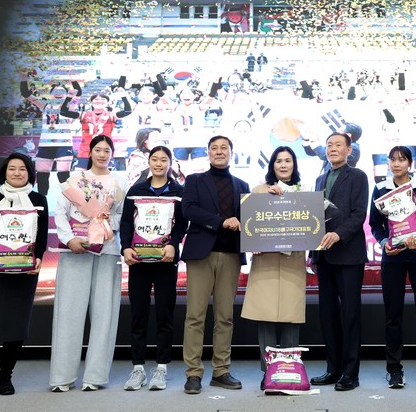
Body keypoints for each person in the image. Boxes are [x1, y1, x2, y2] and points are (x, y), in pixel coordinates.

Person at [49, 135, 126, 392]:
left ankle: (95, 376)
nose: (102, 154)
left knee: (105, 314)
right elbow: (61, 212)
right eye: (98, 150)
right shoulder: (74, 179)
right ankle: (62, 377)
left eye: (107, 151)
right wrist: (69, 239)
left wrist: (103, 221)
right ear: (90, 152)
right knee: (68, 312)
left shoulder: (120, 182)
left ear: (112, 154)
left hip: (107, 251)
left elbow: (123, 216)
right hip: (75, 250)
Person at [180, 135, 250, 394]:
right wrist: (221, 221)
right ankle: (193, 373)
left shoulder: (242, 185)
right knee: (195, 316)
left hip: (231, 255)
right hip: (201, 254)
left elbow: (251, 218)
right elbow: (188, 210)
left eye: (224, 148)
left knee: (225, 317)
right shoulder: (194, 180)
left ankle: (221, 371)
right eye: (214, 148)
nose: (219, 151)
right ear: (208, 152)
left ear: (231, 152)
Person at [0, 153, 48, 397]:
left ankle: (6, 376)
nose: (17, 173)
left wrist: (39, 257)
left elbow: (42, 235)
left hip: (25, 271)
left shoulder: (38, 199)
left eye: (22, 169)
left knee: (16, 324)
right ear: (4, 173)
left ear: (30, 173)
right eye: (12, 168)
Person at [368, 146, 416, 391]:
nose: (396, 164)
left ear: (410, 163)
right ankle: (394, 370)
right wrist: (384, 242)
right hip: (393, 258)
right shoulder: (380, 189)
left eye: (402, 159)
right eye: (392, 159)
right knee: (393, 314)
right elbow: (375, 224)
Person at [120, 145, 187, 391]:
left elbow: (182, 224)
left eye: (163, 160)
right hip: (138, 262)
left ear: (170, 163)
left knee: (164, 315)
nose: (159, 164)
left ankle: (161, 368)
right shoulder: (136, 190)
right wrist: (125, 248)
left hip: (165, 262)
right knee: (138, 314)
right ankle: (138, 368)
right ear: (149, 162)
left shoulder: (179, 191)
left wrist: (174, 244)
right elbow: (126, 223)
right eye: (155, 159)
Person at [240, 146, 307, 390]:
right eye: (279, 161)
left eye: (288, 160)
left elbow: (310, 227)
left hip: (292, 263)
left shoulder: (304, 193)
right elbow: (249, 226)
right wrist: (253, 242)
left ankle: (289, 371)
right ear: (272, 165)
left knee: (290, 319)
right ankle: (268, 372)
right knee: (266, 319)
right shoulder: (259, 191)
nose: (283, 165)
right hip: (266, 263)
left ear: (294, 164)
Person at [310, 132, 369, 391]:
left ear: (349, 150)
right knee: (328, 314)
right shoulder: (320, 178)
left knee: (350, 314)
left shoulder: (358, 176)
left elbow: (359, 214)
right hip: (324, 256)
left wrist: (339, 234)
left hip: (348, 254)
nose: (332, 149)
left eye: (338, 145)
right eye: (329, 145)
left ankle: (350, 373)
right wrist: (313, 253)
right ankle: (332, 369)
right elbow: (314, 217)